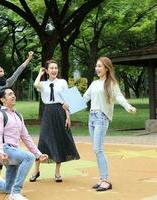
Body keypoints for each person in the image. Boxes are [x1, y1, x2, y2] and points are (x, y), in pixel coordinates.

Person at [0, 87, 48, 200]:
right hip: (5, 150)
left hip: (14, 151)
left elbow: (26, 137)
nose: (13, 96)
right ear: (3, 99)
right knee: (29, 158)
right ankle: (15, 192)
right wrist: (0, 153)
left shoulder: (18, 116)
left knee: (7, 187)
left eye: (13, 93)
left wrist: (38, 154)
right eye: (10, 94)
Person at [83, 56, 136, 191]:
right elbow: (85, 97)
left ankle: (106, 180)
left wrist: (127, 106)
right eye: (96, 66)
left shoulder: (111, 83)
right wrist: (68, 106)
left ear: (106, 68)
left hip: (102, 117)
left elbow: (119, 96)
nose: (97, 68)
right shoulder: (94, 83)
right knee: (97, 150)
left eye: (100, 66)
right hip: (92, 118)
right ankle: (102, 179)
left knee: (98, 149)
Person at [0, 43, 34, 180]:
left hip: (6, 113)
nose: (0, 69)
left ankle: (8, 172)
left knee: (8, 143)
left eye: (0, 68)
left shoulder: (6, 84)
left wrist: (28, 59)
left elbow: (18, 72)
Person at [29, 60, 80, 183]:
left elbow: (67, 101)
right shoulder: (43, 83)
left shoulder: (62, 82)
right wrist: (40, 74)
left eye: (56, 68)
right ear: (47, 70)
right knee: (43, 141)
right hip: (48, 112)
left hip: (60, 111)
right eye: (51, 68)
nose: (54, 70)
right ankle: (36, 170)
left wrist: (68, 117)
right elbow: (35, 84)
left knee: (59, 140)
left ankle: (57, 172)